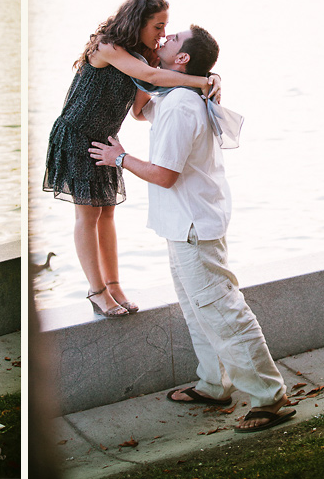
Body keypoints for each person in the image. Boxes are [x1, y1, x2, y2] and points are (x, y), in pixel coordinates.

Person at [89, 24, 295, 432]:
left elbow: (164, 175)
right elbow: (139, 108)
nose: (164, 39)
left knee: (223, 312)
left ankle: (270, 399)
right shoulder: (176, 94)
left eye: (173, 39)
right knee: (198, 311)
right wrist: (147, 64)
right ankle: (214, 384)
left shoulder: (183, 104)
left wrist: (119, 158)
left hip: (193, 225)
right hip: (181, 223)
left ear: (182, 58)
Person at [42, 0, 220, 318]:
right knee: (88, 216)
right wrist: (203, 80)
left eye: (166, 27)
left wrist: (208, 81)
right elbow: (152, 79)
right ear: (138, 22)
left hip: (107, 141)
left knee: (107, 214)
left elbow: (139, 110)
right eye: (158, 26)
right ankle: (97, 292)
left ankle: (114, 285)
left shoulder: (143, 57)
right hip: (77, 136)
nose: (163, 34)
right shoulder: (107, 47)